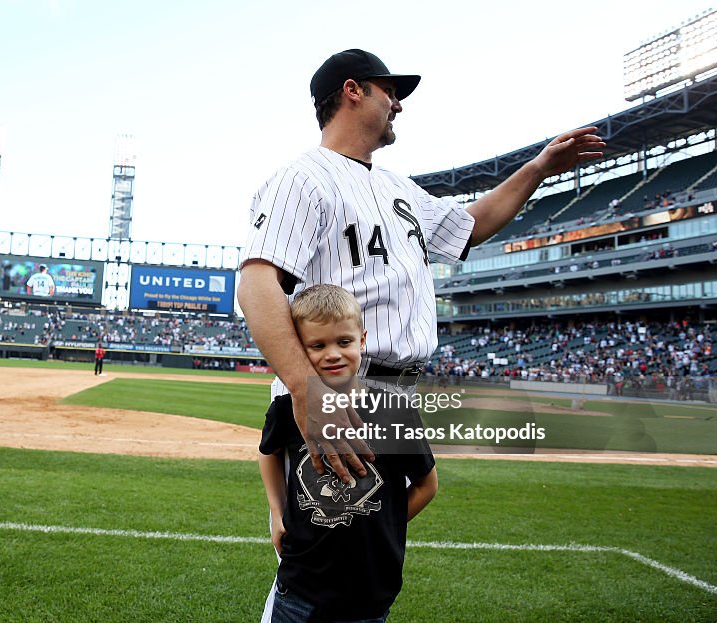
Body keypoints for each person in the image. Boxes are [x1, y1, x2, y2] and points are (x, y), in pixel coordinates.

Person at [237, 48, 605, 482]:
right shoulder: (301, 180)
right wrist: (308, 390)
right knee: (326, 543)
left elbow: (470, 226)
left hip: (394, 400)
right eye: (389, 91)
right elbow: (255, 285)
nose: (398, 104)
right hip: (336, 391)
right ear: (353, 91)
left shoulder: (401, 189)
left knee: (382, 543)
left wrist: (538, 169)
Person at [258, 284, 437, 622]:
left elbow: (427, 484)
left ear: (362, 340)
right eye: (317, 345)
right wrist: (277, 511)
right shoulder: (288, 409)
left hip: (368, 593)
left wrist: (384, 521)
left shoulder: (394, 411)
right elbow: (267, 452)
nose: (333, 354)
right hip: (298, 589)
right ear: (299, 348)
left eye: (344, 342)